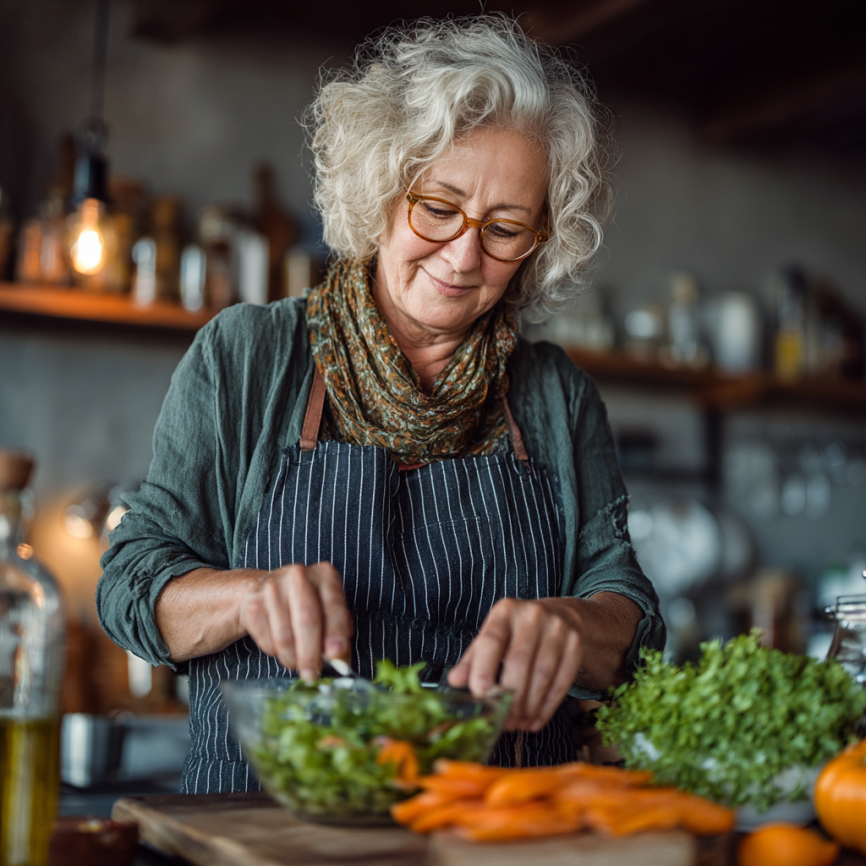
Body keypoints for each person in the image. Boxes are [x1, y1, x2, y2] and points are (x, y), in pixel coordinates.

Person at [98, 14, 664, 794]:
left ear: (543, 237)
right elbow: (130, 582)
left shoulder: (556, 396)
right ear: (382, 190)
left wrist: (572, 624)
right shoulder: (248, 357)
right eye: (439, 207)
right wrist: (249, 596)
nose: (465, 256)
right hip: (271, 825)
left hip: (494, 829)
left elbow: (630, 620)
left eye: (506, 228)